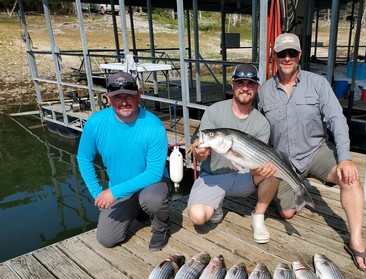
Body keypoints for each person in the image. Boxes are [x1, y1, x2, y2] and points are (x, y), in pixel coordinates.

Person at [258, 33, 366, 271]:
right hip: (284, 161)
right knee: (288, 213)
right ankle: (298, 191)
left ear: (300, 55)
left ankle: (355, 241)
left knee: (350, 178)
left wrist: (345, 158)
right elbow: (256, 129)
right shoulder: (263, 91)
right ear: (275, 56)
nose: (287, 58)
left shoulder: (318, 83)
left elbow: (337, 120)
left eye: (292, 53)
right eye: (282, 54)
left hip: (316, 152)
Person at [77, 71, 171, 251]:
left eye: (129, 96)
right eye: (117, 97)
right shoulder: (95, 123)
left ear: (139, 94)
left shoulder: (154, 126)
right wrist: (98, 193)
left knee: (152, 199)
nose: (124, 102)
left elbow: (154, 173)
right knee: (106, 239)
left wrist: (113, 192)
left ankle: (161, 227)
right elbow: (83, 158)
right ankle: (138, 210)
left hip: (151, 184)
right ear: (107, 98)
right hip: (121, 188)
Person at [188, 64, 279, 244]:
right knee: (197, 217)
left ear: (257, 87)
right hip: (213, 177)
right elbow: (199, 154)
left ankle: (258, 216)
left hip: (244, 176)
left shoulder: (262, 123)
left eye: (250, 83)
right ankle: (217, 206)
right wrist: (200, 153)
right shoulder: (214, 111)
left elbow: (255, 167)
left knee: (274, 171)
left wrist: (264, 169)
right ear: (232, 84)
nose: (245, 88)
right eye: (240, 83)